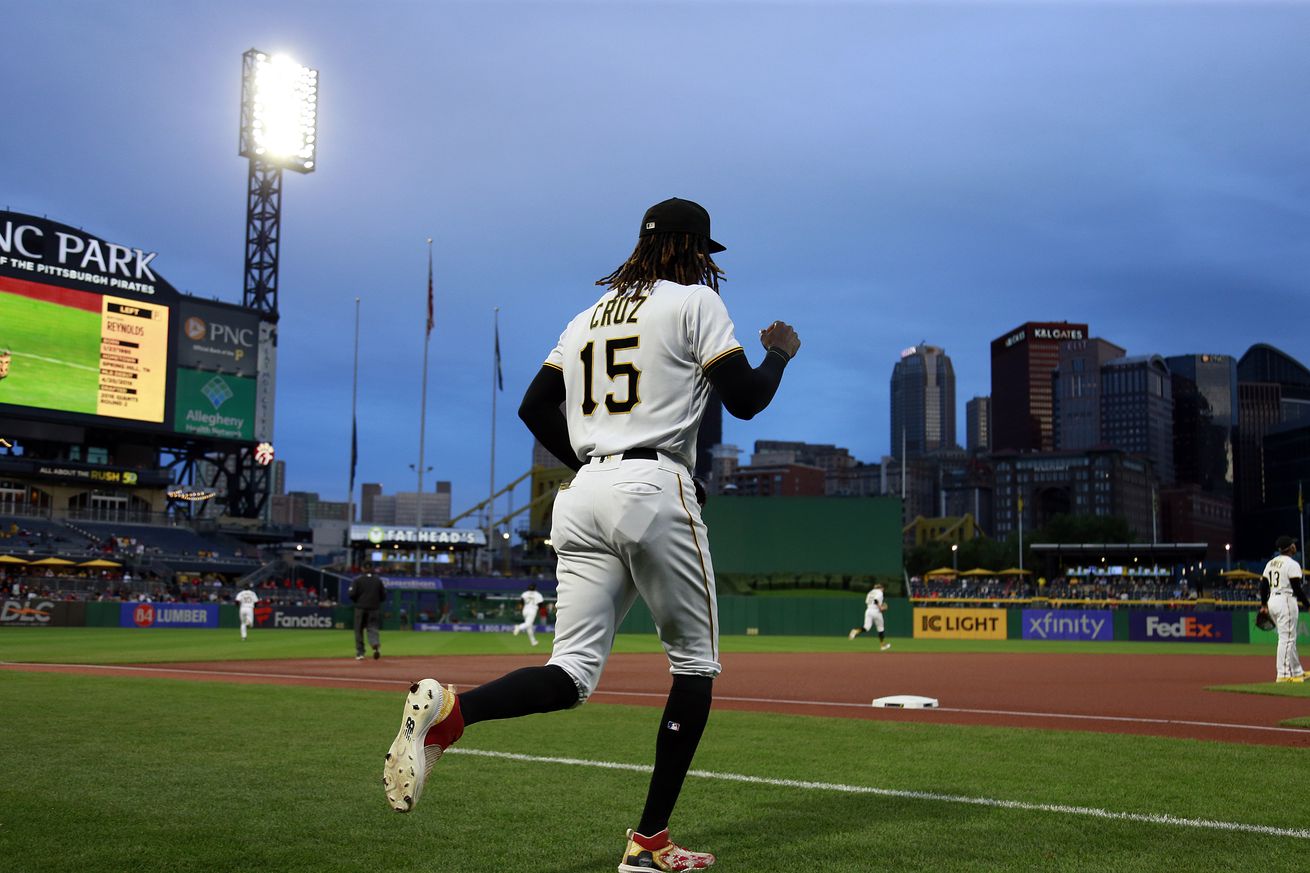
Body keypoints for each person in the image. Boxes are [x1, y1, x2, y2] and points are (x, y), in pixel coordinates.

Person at [381, 197, 799, 871]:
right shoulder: (695, 304)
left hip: (585, 493)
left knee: (570, 672)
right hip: (655, 486)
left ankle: (454, 713)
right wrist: (778, 353)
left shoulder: (583, 319)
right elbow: (745, 397)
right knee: (694, 664)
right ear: (692, 248)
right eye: (703, 252)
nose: (705, 265)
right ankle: (648, 842)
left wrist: (597, 462)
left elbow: (532, 405)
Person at [1259, 535, 1308, 683]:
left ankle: (1297, 671)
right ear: (1290, 548)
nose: (1295, 546)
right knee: (1286, 639)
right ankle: (1283, 675)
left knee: (1289, 638)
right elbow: (1297, 589)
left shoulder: (1271, 563)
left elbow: (1263, 585)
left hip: (1272, 599)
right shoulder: (1292, 564)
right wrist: (1308, 605)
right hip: (1285, 600)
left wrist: (1263, 605)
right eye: (1293, 544)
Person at [349, 566, 387, 661]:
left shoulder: (357, 580)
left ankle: (360, 653)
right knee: (373, 628)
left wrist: (358, 601)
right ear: (372, 569)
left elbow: (351, 594)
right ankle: (375, 646)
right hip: (374, 608)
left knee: (359, 630)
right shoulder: (378, 581)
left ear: (363, 569)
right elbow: (383, 596)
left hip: (360, 608)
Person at [848, 582, 891, 650]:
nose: (883, 590)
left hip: (868, 610)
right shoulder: (880, 592)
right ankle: (882, 645)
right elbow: (876, 600)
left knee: (866, 627)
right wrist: (881, 608)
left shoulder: (870, 592)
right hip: (876, 611)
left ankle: (856, 631)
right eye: (883, 589)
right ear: (881, 588)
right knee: (880, 628)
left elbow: (867, 602)